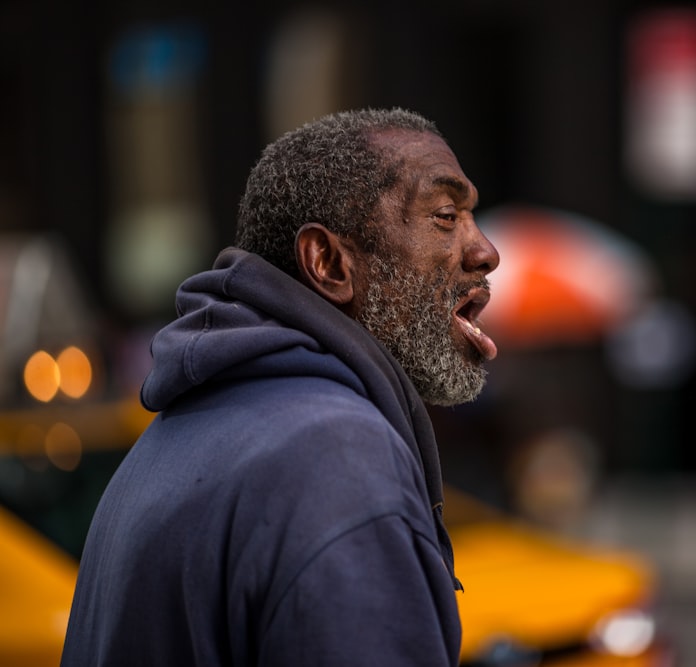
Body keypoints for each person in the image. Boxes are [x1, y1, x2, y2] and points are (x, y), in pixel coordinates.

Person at [61, 108, 500, 666]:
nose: (486, 251)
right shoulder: (333, 455)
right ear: (329, 263)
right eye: (445, 214)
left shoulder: (169, 441)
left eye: (470, 215)